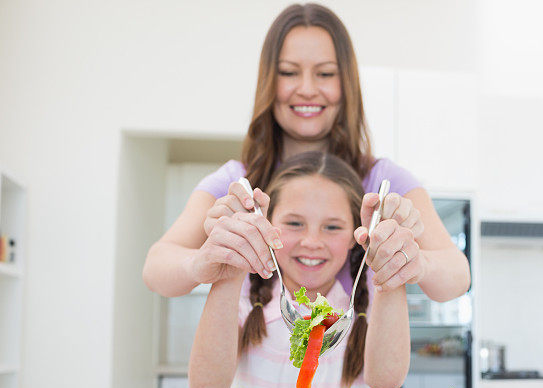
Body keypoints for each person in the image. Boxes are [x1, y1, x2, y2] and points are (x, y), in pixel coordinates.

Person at [142, 2, 470, 305]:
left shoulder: (385, 181)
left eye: (325, 74)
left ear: (347, 84)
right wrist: (201, 262)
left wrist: (417, 261)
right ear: (269, 81)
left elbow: (457, 277)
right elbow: (156, 269)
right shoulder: (236, 183)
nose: (308, 89)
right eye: (289, 72)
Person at [189, 151, 411, 388]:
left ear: (356, 234)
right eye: (294, 223)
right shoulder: (243, 295)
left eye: (332, 227)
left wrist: (390, 268)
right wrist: (230, 271)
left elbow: (387, 381)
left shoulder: (374, 298)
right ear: (267, 224)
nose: (312, 242)